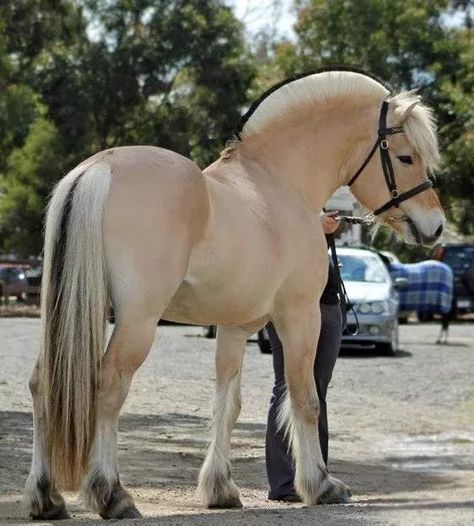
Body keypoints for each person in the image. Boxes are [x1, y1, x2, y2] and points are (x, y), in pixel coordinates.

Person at [266, 211, 343, 502]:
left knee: (316, 391)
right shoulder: (281, 201)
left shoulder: (309, 197)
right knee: (286, 387)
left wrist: (325, 231)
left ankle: (315, 474)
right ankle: (284, 482)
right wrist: (313, 222)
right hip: (287, 307)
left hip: (326, 303)